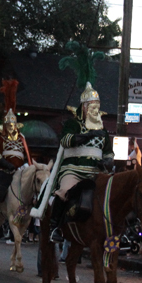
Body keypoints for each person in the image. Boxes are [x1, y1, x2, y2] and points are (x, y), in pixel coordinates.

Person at [49, 81, 113, 242]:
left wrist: (107, 162)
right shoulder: (72, 124)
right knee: (64, 191)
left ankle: (119, 230)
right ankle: (54, 226)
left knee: (114, 194)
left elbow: (108, 152)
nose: (94, 108)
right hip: (74, 169)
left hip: (96, 173)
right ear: (83, 107)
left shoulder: (103, 130)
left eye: (96, 105)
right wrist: (87, 135)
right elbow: (66, 140)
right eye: (91, 105)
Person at [0, 79, 32, 220]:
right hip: (3, 169)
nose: (11, 127)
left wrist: (26, 166)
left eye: (13, 124)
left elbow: (25, 155)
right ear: (5, 125)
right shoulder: (0, 139)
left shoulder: (21, 139)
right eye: (8, 124)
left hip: (20, 170)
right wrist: (8, 165)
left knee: (33, 186)